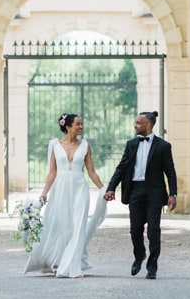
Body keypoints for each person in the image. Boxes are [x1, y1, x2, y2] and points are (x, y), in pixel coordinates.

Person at [24, 113, 107, 278]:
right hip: (60, 189)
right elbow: (52, 173)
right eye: (78, 124)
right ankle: (57, 261)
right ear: (68, 126)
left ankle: (73, 265)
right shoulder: (55, 145)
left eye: (81, 124)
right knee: (61, 226)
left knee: (77, 225)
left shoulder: (85, 146)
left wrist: (104, 189)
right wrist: (44, 193)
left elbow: (91, 171)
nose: (81, 127)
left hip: (79, 189)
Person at [104, 111, 178, 280]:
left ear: (148, 125)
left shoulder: (163, 146)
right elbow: (121, 167)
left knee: (153, 229)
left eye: (138, 123)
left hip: (154, 192)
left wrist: (173, 194)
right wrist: (111, 188)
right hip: (135, 191)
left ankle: (152, 266)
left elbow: (170, 172)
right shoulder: (131, 144)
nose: (135, 125)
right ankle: (139, 255)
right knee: (135, 229)